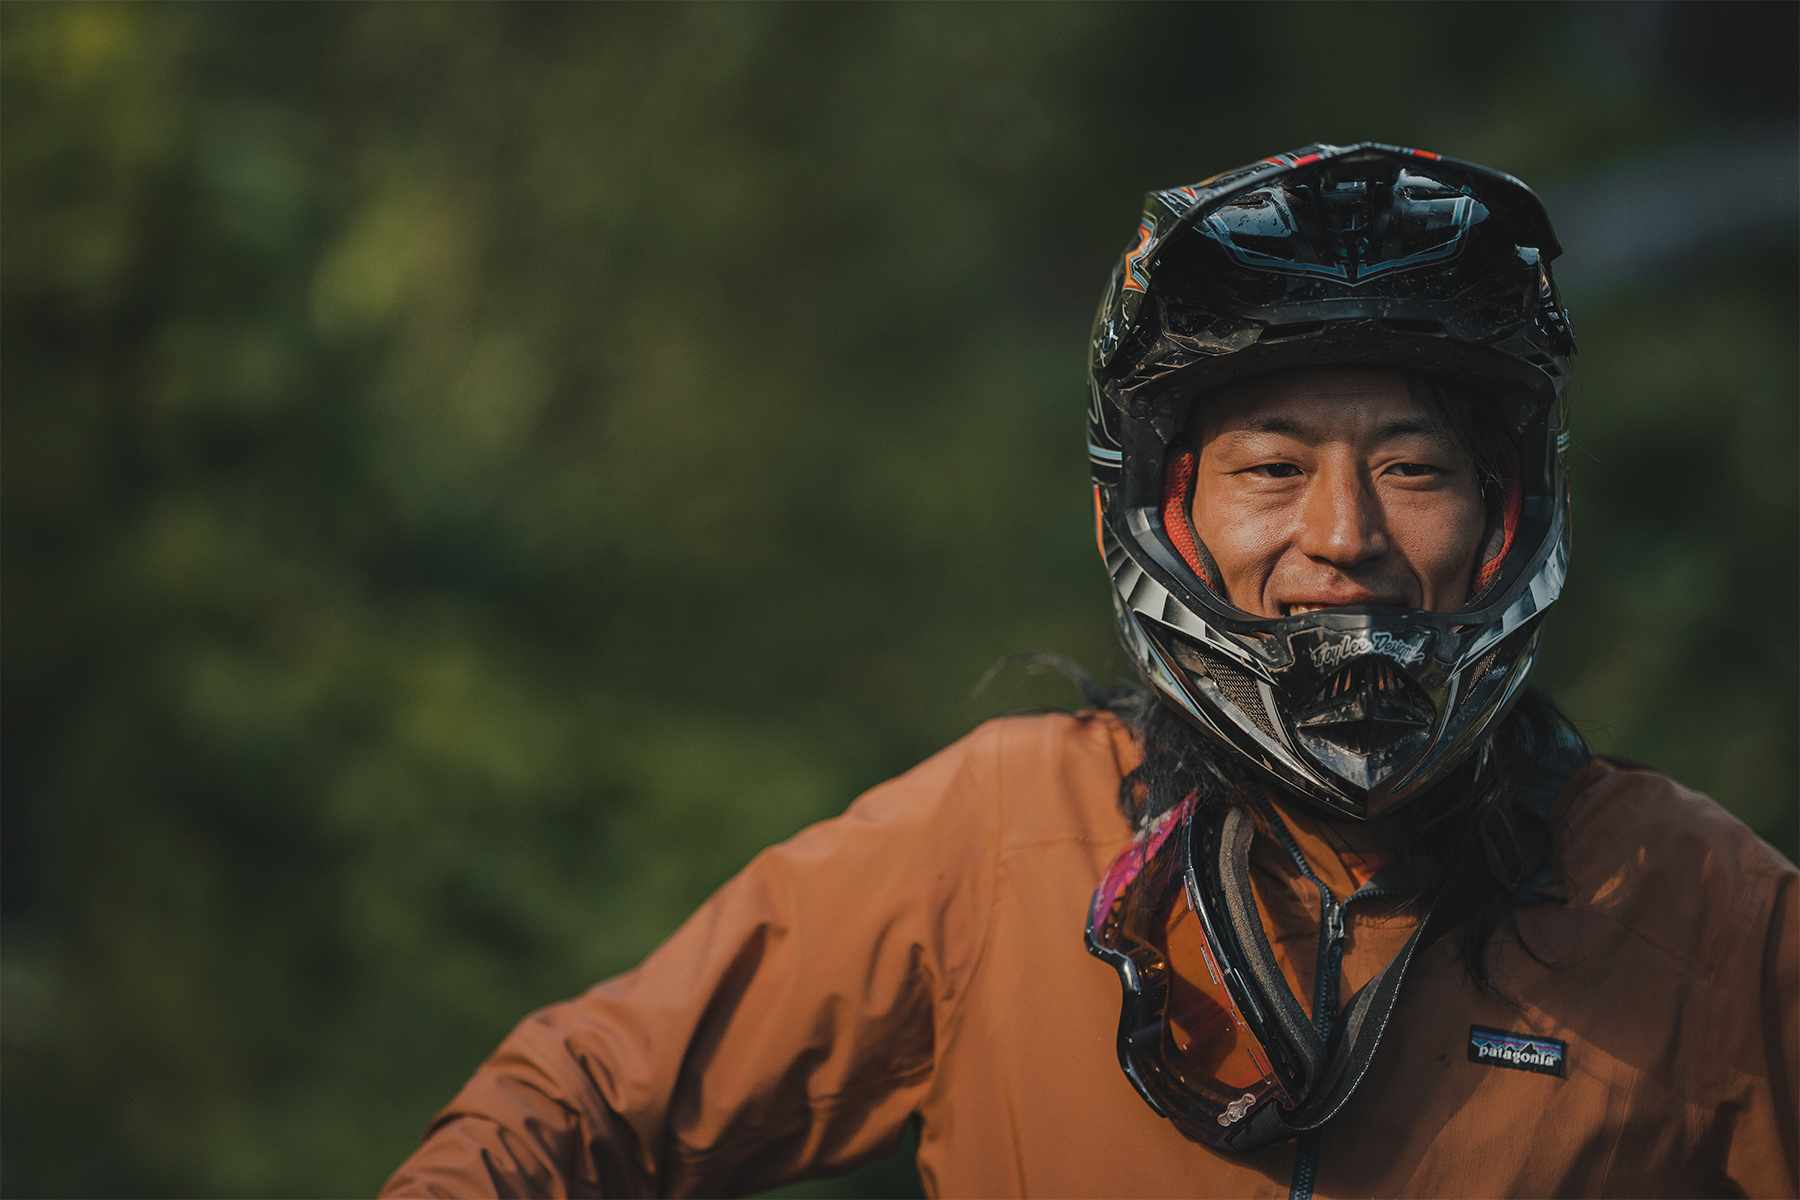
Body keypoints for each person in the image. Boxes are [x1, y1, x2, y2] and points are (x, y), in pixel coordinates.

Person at [382, 143, 1798, 1199]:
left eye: (1415, 468)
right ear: (1163, 512)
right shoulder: (1002, 838)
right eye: (1271, 468)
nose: (1344, 534)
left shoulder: (1684, 903)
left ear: (1505, 512)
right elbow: (579, 1101)